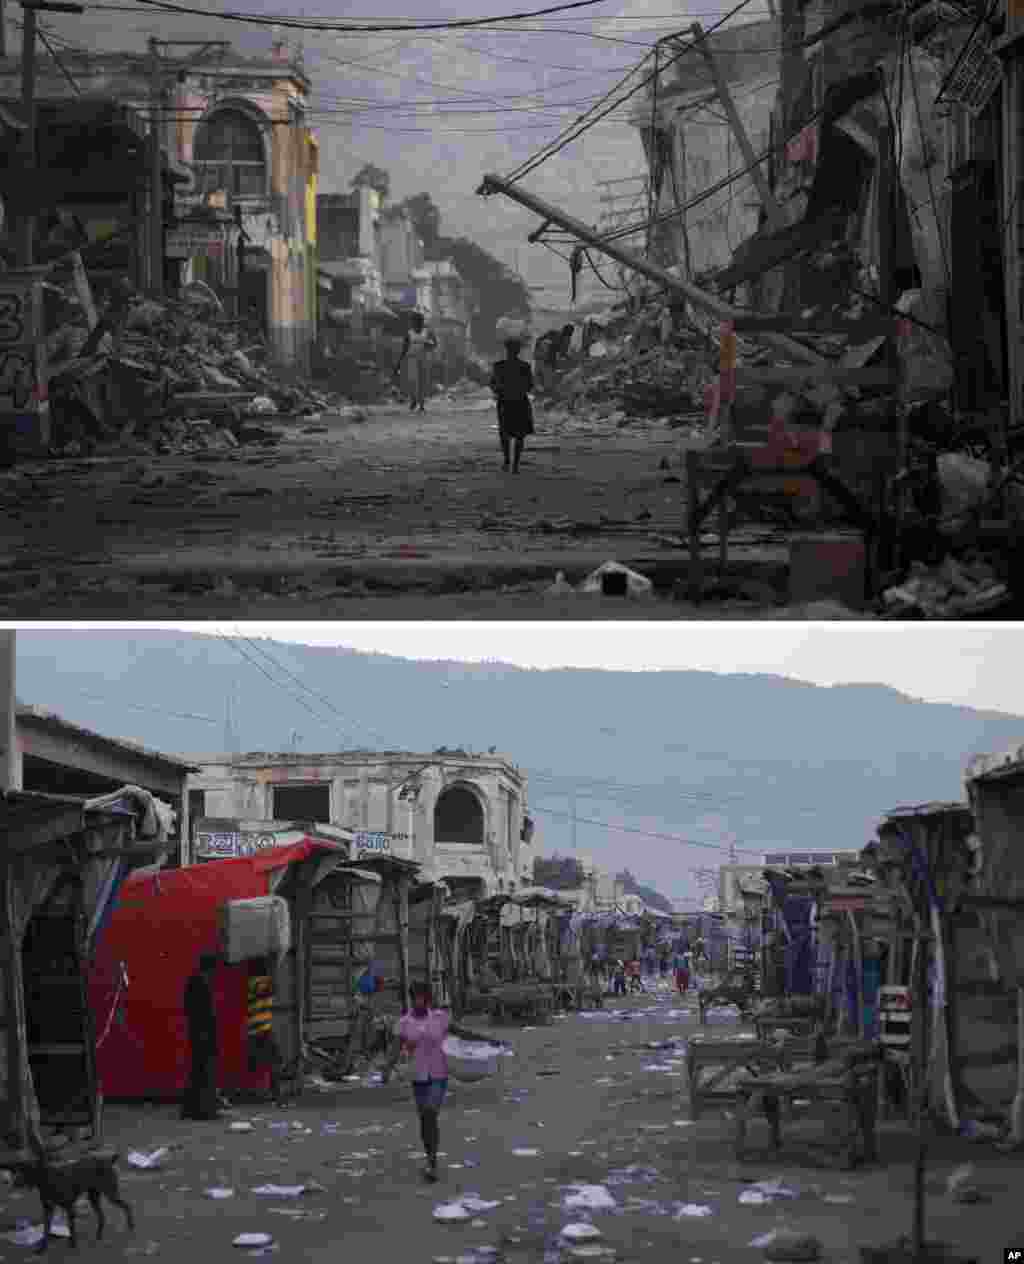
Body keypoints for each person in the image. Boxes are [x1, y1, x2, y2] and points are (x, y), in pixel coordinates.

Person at [390, 982, 494, 1182]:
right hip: (417, 1076)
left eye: (422, 997)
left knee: (430, 1112)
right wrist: (386, 1069)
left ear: (427, 999)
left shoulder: (440, 1018)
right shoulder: (403, 1023)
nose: (418, 1001)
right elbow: (395, 1049)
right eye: (415, 997)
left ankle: (433, 1164)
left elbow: (462, 1033)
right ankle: (431, 1157)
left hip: (438, 1075)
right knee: (425, 1120)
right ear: (412, 999)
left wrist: (488, 1040)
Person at [182, 953, 220, 1121]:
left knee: (196, 1073)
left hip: (196, 1034)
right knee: (204, 1073)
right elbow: (207, 1015)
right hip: (204, 1036)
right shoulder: (203, 983)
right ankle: (204, 1111)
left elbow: (189, 1009)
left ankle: (190, 1109)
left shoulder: (193, 981)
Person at [489, 338, 534, 472]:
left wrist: (500, 390)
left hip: (504, 402)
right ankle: (515, 465)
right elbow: (530, 385)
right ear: (518, 351)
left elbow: (492, 384)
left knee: (505, 433)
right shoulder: (525, 366)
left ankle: (507, 461)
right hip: (520, 402)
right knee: (520, 435)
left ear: (506, 350)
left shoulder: (499, 366)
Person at [394, 311, 437, 413]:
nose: (416, 324)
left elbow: (435, 343)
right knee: (413, 381)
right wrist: (399, 364)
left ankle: (421, 405)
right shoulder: (409, 334)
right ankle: (413, 399)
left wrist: (429, 345)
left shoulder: (427, 332)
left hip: (423, 358)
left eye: (418, 322)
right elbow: (404, 349)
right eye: (414, 322)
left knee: (423, 381)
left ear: (421, 322)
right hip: (411, 358)